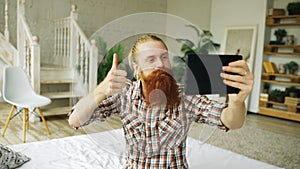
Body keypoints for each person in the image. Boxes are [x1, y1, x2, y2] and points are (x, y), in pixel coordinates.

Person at [68, 34, 254, 169]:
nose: (160, 63)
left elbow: (231, 121)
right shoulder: (123, 94)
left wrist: (237, 102)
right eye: (151, 59)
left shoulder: (185, 96)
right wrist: (100, 90)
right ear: (137, 69)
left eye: (164, 57)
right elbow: (75, 120)